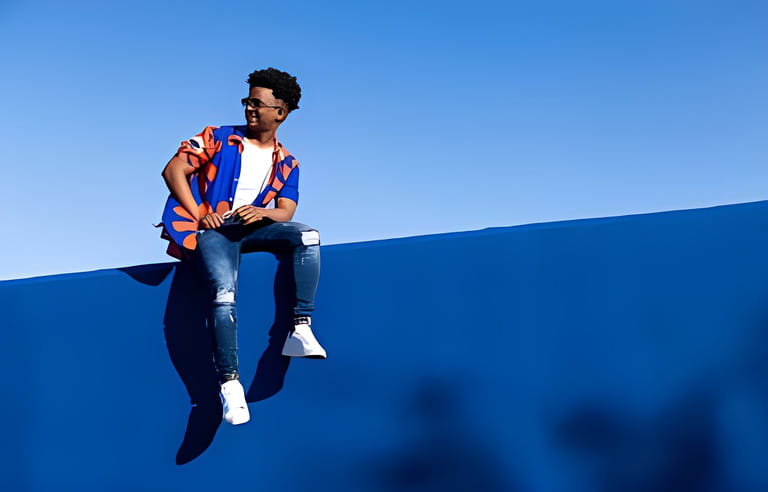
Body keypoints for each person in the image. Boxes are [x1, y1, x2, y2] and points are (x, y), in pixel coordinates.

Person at [159, 67, 326, 426]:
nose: (249, 109)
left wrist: (261, 212)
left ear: (280, 112)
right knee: (223, 295)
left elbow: (286, 211)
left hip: (252, 229)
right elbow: (173, 171)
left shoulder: (288, 163)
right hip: (212, 231)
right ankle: (230, 385)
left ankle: (300, 327)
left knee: (308, 236)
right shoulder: (216, 138)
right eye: (247, 101)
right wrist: (201, 213)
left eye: (258, 103)